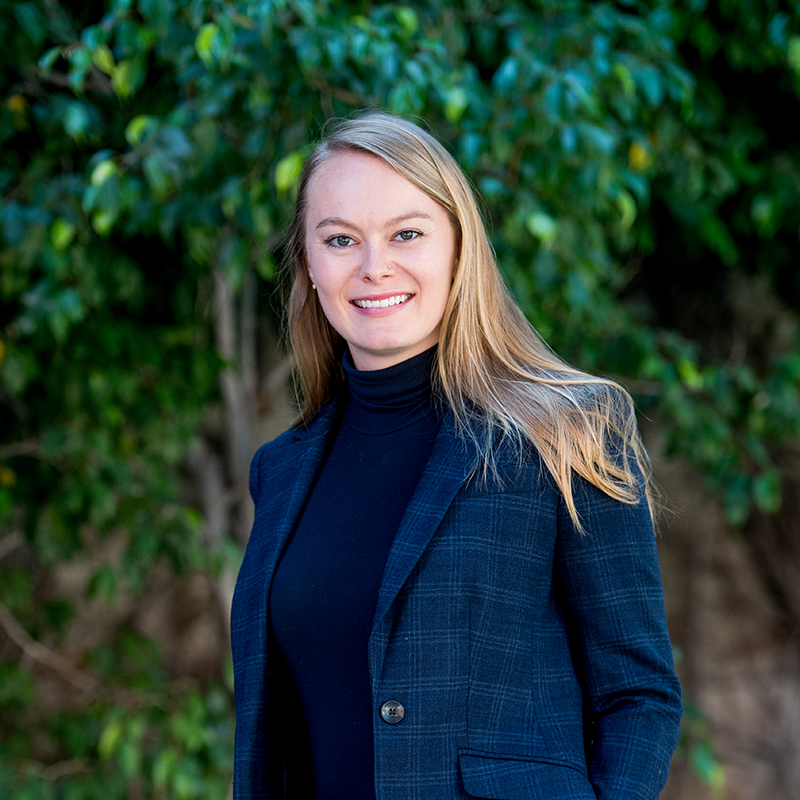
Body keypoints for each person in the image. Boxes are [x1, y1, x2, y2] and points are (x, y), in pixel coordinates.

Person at [230, 112, 682, 800]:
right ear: (310, 264)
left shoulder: (565, 432)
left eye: (407, 233)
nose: (374, 266)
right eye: (341, 239)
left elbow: (640, 696)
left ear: (459, 247)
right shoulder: (281, 470)